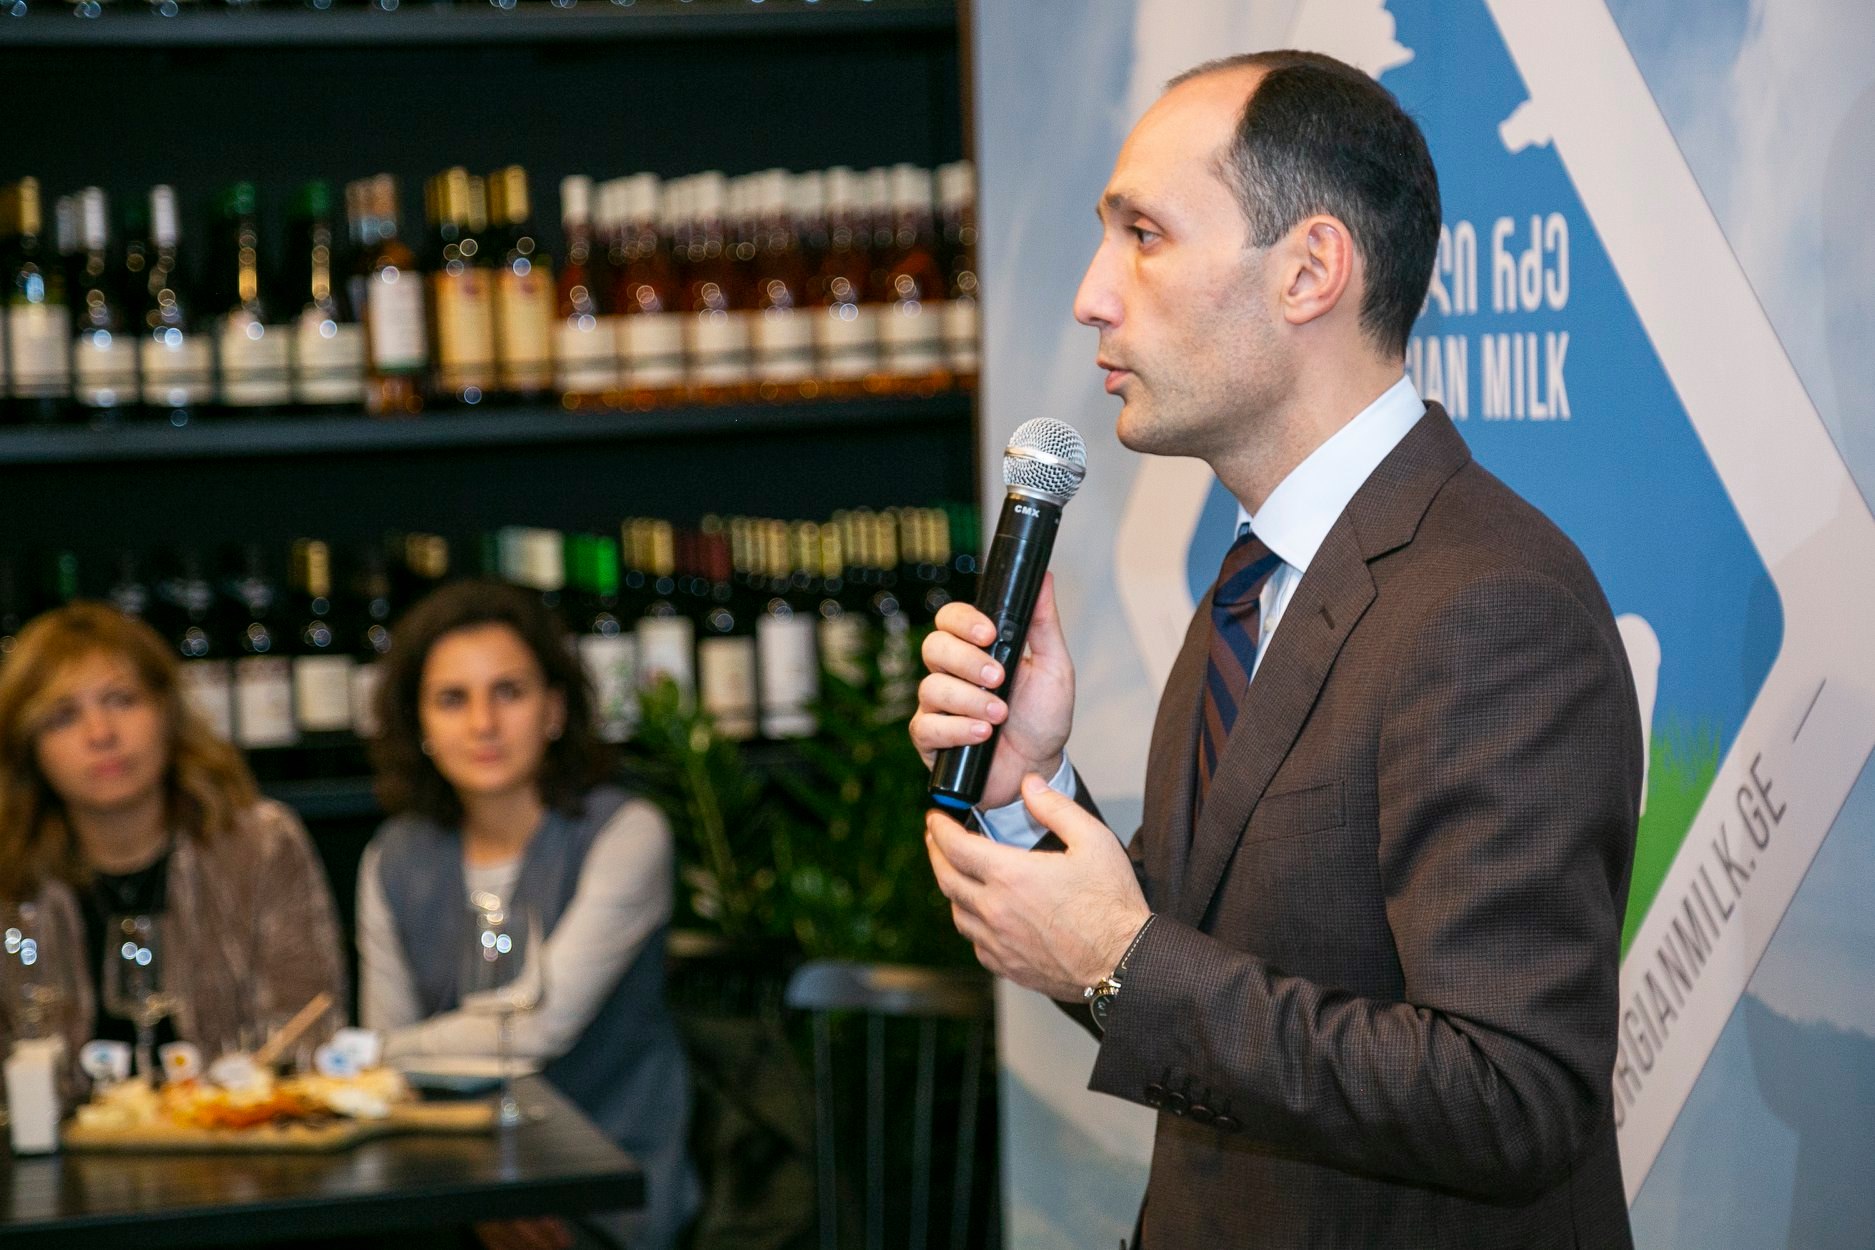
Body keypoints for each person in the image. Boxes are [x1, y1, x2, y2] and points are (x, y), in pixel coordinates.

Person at [911, 51, 1641, 1247]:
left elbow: (1512, 1095)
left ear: (1309, 271)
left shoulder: (1492, 604)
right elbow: (1200, 971)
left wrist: (1117, 959)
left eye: (1144, 235)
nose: (1092, 294)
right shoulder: (1258, 578)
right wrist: (1026, 788)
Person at [357, 580, 694, 1250]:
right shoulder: (391, 857)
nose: (483, 723)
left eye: (508, 691)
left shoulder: (627, 834)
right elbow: (384, 1084)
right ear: (419, 725)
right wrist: (477, 1193)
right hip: (451, 1186)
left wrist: (378, 1053)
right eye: (452, 699)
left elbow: (533, 1029)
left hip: (608, 1189)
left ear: (555, 709)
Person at [0, 602, 346, 1067]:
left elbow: (308, 1033)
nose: (100, 734)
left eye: (121, 700)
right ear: (28, 746)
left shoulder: (260, 844)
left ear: (166, 710)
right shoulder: (10, 872)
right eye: (63, 717)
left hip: (239, 1113)